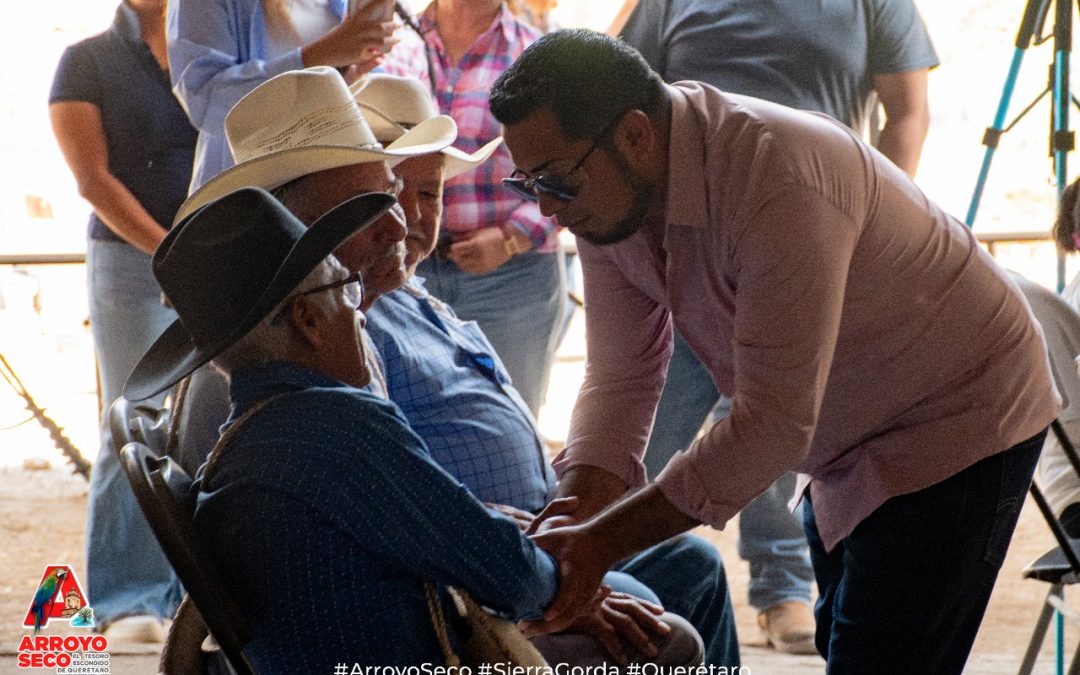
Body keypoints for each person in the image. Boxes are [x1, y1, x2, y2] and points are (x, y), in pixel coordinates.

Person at [489, 30, 1059, 673]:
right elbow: (622, 374)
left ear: (636, 135)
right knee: (849, 636)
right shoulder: (608, 201)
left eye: (557, 181)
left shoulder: (777, 175)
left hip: (957, 412)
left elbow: (772, 426)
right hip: (845, 433)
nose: (546, 208)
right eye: (528, 183)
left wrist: (601, 542)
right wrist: (575, 511)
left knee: (882, 654)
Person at [166, 66, 705, 668]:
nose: (400, 225)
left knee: (673, 582)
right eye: (346, 292)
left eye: (405, 195)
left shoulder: (274, 411)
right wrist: (549, 579)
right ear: (308, 317)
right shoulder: (328, 421)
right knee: (666, 638)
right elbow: (508, 575)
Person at [355, 72, 738, 666]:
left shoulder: (420, 300)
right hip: (476, 571)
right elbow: (392, 499)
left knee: (695, 564)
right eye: (393, 194)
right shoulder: (353, 319)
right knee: (660, 625)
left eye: (429, 195)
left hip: (529, 537)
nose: (412, 217)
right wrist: (537, 571)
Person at [616, 0, 939, 654]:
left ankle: (782, 585)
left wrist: (869, 222)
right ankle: (618, 574)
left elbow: (907, 113)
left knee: (778, 422)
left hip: (805, 249)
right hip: (688, 252)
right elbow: (616, 94)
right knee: (640, 432)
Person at [48, 0, 197, 642]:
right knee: (134, 415)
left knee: (209, 418)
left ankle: (194, 594)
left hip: (215, 253)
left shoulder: (214, 48)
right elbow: (93, 180)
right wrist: (169, 250)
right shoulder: (85, 61)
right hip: (132, 264)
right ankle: (125, 599)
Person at [381, 0, 564, 416]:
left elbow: (573, 169)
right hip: (408, 268)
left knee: (506, 416)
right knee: (407, 419)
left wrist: (511, 239)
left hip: (509, 279)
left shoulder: (538, 56)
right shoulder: (396, 43)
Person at [166, 0, 399, 191]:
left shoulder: (339, 6)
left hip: (329, 197)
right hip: (244, 203)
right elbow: (206, 102)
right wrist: (318, 56)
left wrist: (349, 76)